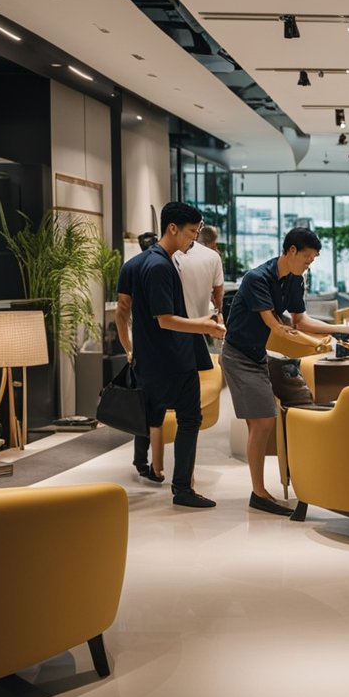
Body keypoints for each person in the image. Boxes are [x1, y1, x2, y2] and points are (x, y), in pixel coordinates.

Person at [221, 227, 339, 515]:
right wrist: (315, 344)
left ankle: (272, 487)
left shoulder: (295, 280)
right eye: (307, 257)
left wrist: (338, 330)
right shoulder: (257, 278)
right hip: (238, 356)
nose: (309, 263)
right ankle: (259, 493)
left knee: (266, 422)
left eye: (314, 258)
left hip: (258, 355)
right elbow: (276, 326)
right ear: (291, 251)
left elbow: (300, 320)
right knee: (262, 423)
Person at [131, 201, 226, 509]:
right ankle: (182, 488)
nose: (193, 240)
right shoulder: (159, 265)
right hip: (169, 358)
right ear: (172, 228)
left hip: (161, 358)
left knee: (174, 417)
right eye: (191, 233)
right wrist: (204, 326)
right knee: (189, 418)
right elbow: (164, 318)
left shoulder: (157, 260)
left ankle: (177, 482)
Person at [116, 232, 169, 484]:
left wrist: (128, 348)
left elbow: (121, 313)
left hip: (143, 350)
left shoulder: (132, 267)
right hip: (164, 348)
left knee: (145, 406)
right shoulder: (164, 264)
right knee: (154, 409)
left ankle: (144, 462)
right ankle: (154, 467)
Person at [174, 224, 225, 321]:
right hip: (204, 318)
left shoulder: (173, 254)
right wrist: (219, 312)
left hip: (178, 319)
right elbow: (218, 291)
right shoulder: (213, 257)